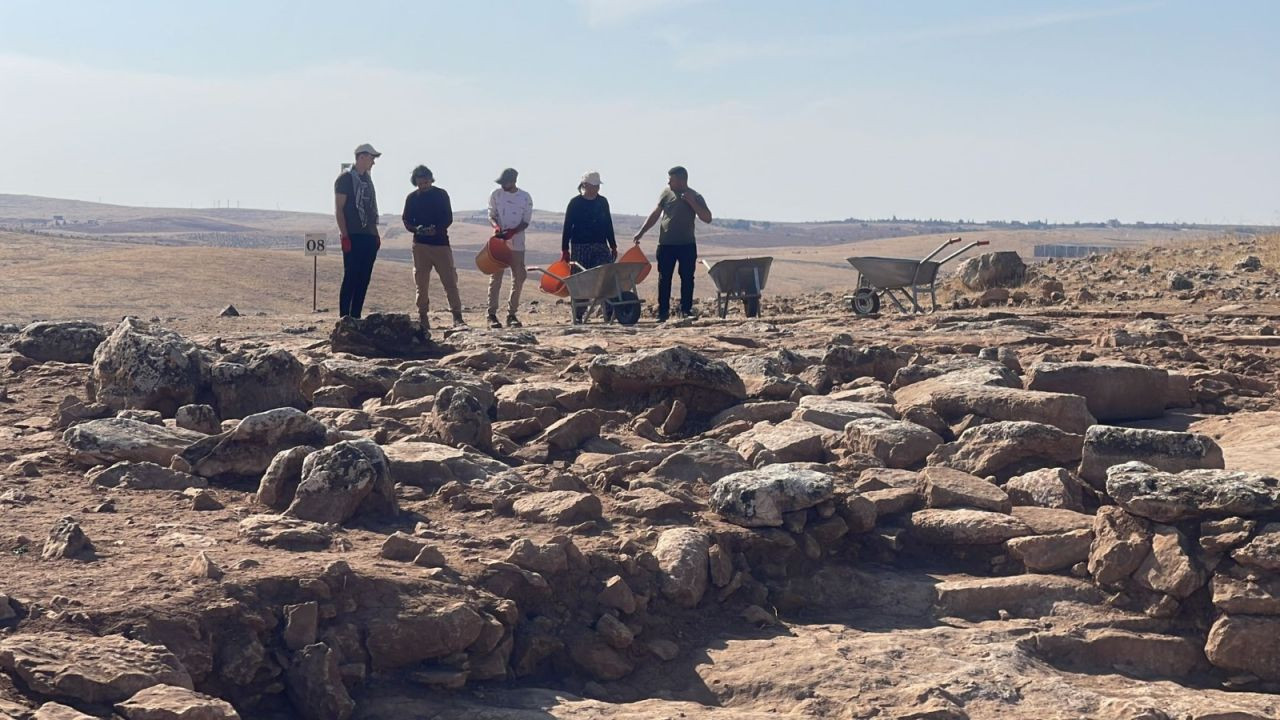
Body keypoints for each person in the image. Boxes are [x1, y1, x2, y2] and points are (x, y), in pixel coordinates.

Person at [633, 166, 712, 321]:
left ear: (682, 180)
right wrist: (641, 232)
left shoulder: (695, 195)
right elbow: (656, 214)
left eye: (672, 179)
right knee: (664, 278)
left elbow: (707, 217)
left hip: (687, 245)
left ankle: (686, 310)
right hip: (666, 245)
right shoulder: (666, 194)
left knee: (687, 278)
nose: (668, 182)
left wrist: (692, 203)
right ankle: (663, 312)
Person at [401, 165, 464, 340]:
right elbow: (406, 219)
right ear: (415, 182)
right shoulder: (412, 198)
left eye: (426, 181)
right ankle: (422, 316)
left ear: (431, 179)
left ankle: (457, 316)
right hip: (420, 245)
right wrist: (417, 229)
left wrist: (436, 229)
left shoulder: (441, 195)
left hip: (441, 244)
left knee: (450, 281)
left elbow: (448, 217)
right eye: (420, 182)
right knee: (421, 282)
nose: (424, 185)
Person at [561, 171, 617, 321]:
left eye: (598, 186)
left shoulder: (602, 202)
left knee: (606, 277)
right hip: (580, 245)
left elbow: (608, 223)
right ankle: (578, 314)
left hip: (600, 244)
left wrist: (613, 245)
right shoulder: (575, 203)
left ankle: (609, 312)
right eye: (593, 186)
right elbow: (567, 226)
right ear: (585, 185)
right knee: (580, 279)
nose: (596, 189)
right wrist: (565, 249)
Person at [334, 143, 382, 319]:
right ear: (361, 157)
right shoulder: (345, 179)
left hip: (369, 235)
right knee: (351, 276)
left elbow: (370, 209)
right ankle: (344, 317)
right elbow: (339, 209)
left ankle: (356, 315)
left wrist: (376, 234)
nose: (373, 163)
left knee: (364, 278)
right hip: (353, 234)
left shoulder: (368, 181)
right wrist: (345, 235)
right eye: (371, 158)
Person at [486, 168, 533, 328]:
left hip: (517, 243)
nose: (503, 185)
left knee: (518, 277)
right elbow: (491, 215)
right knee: (496, 277)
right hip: (499, 242)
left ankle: (511, 313)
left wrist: (514, 231)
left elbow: (526, 220)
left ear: (513, 181)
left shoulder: (525, 197)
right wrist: (497, 228)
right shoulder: (496, 195)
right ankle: (491, 313)